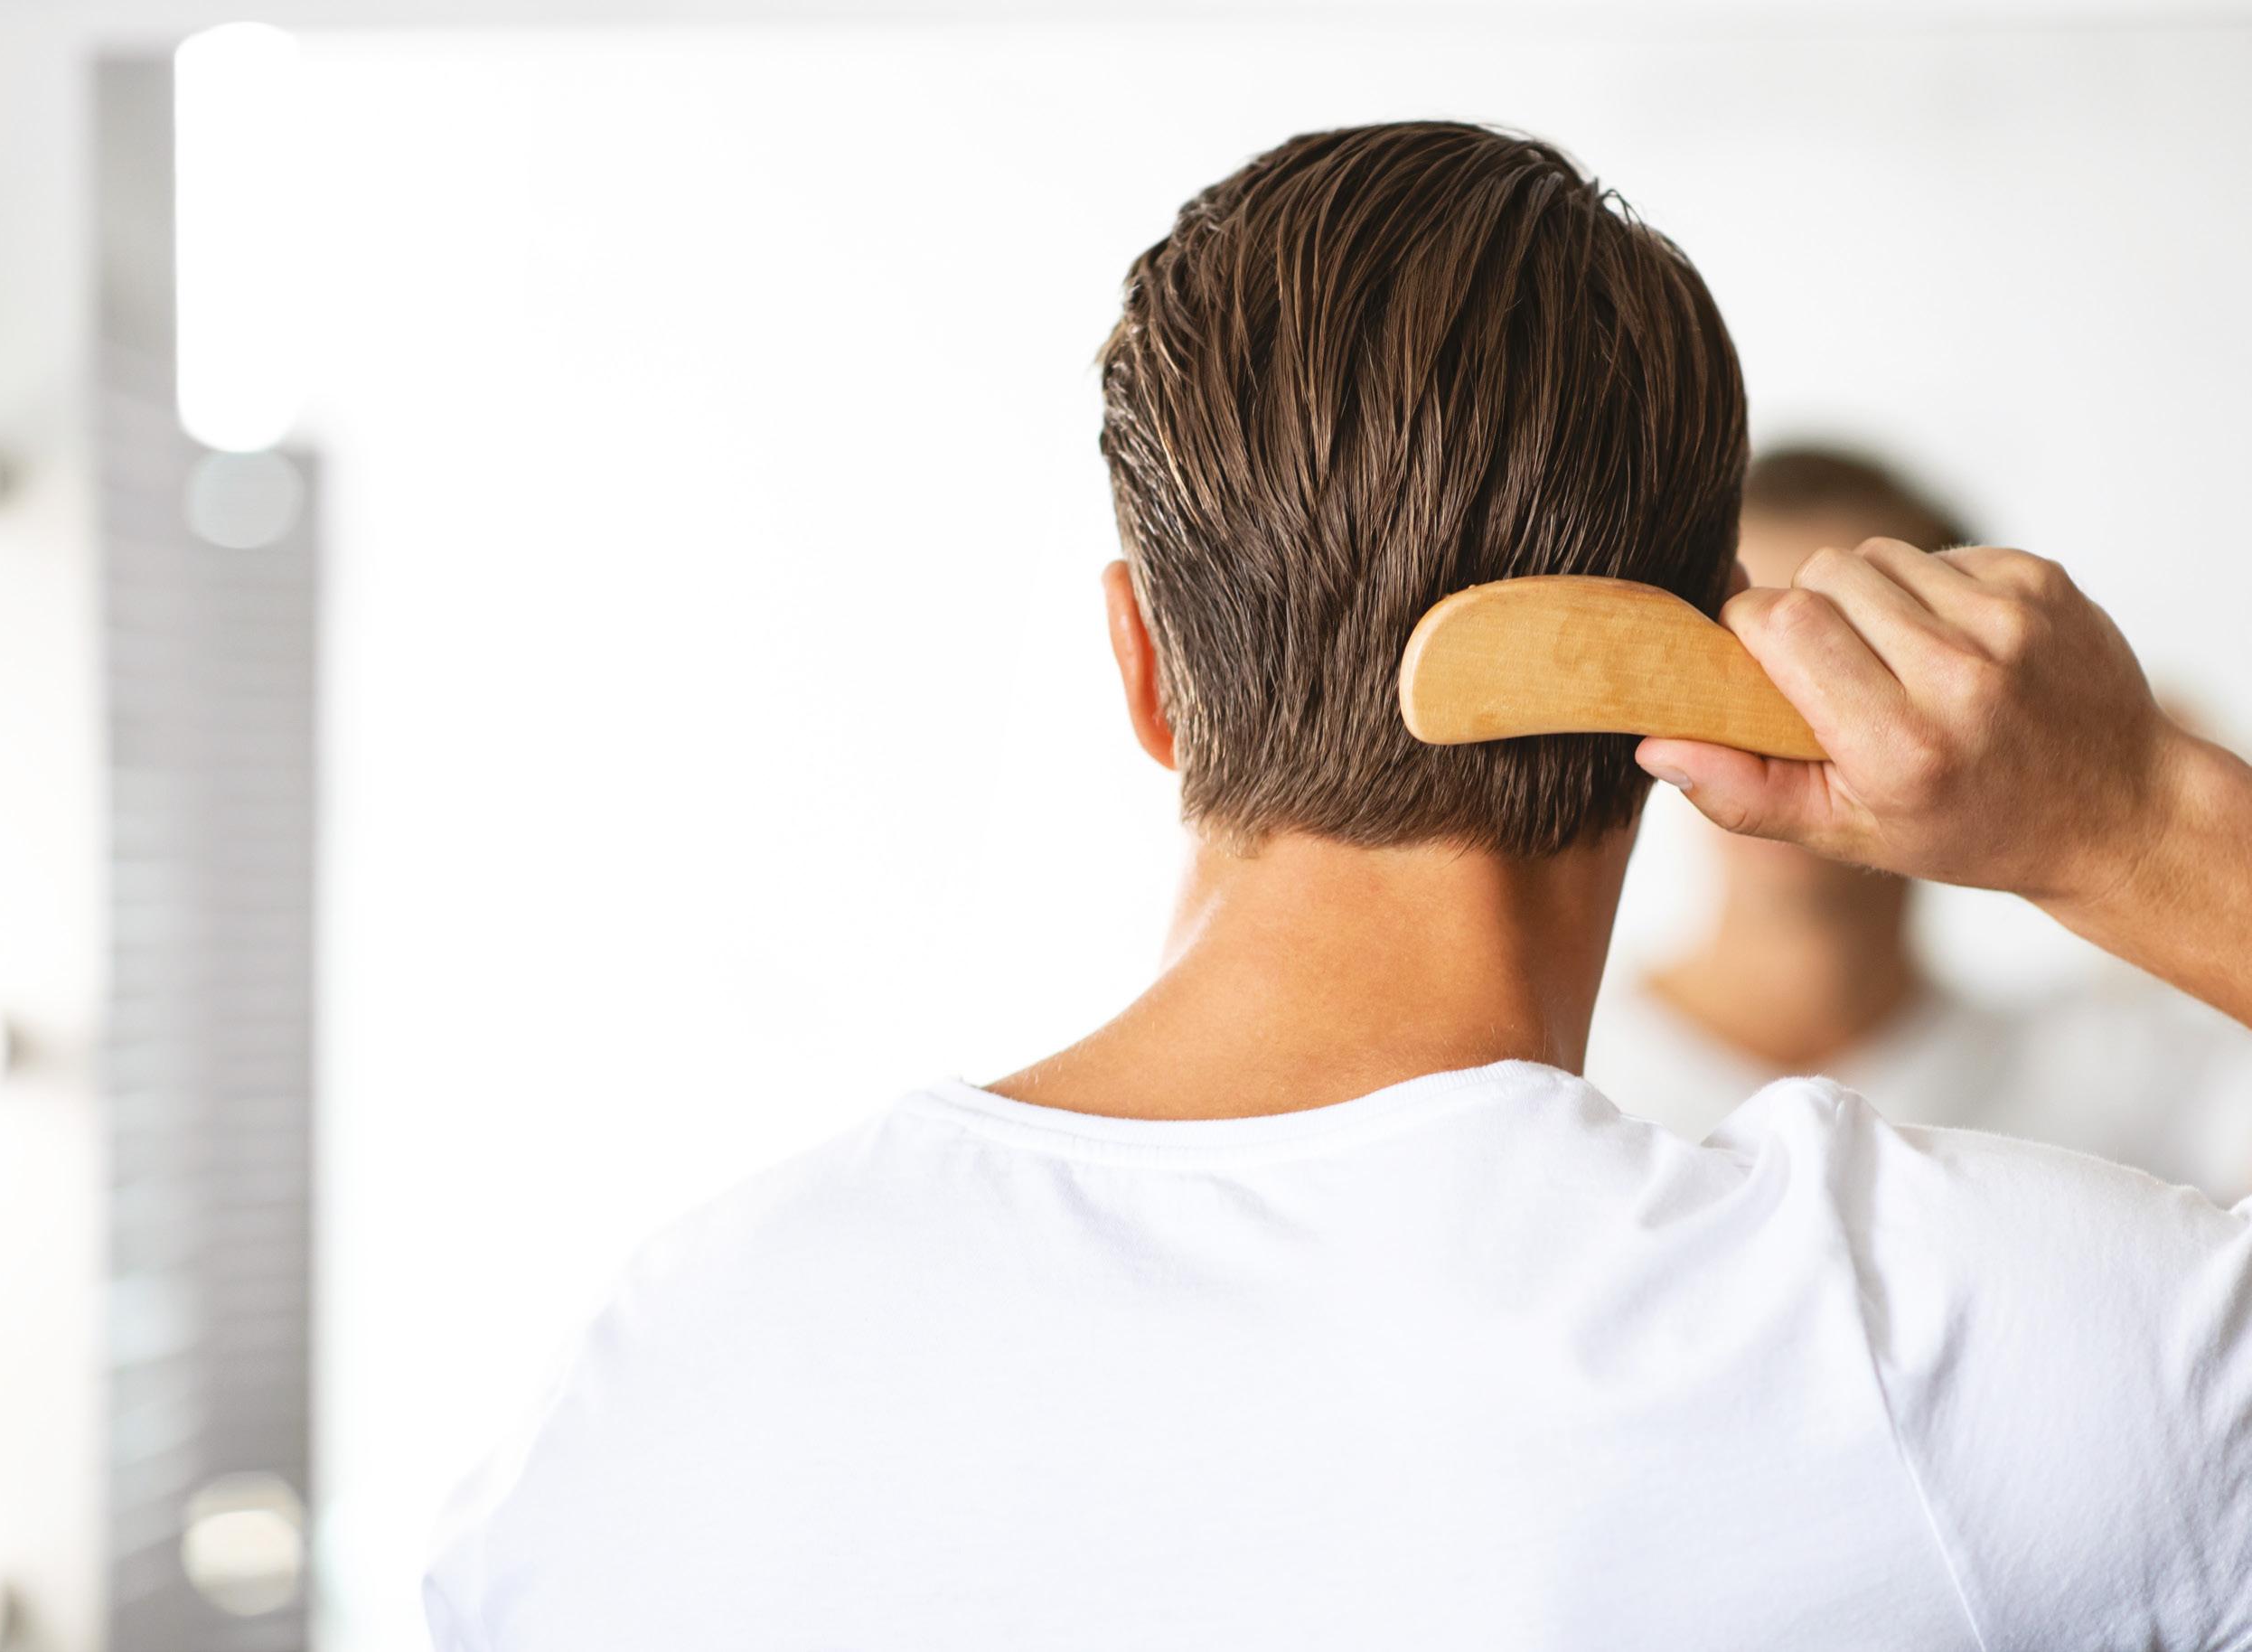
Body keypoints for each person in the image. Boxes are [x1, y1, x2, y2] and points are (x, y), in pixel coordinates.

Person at [422, 122, 2252, 1649]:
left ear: (1143, 663)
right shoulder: (1943, 1344)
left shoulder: (669, 1370)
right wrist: (2130, 822)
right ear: (1696, 671)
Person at [1586, 447, 2252, 1196]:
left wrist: (2157, 816)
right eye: (1735, 668)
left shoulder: (2135, 1081)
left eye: (1858, 663)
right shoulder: (1559, 1083)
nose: (1780, 728)